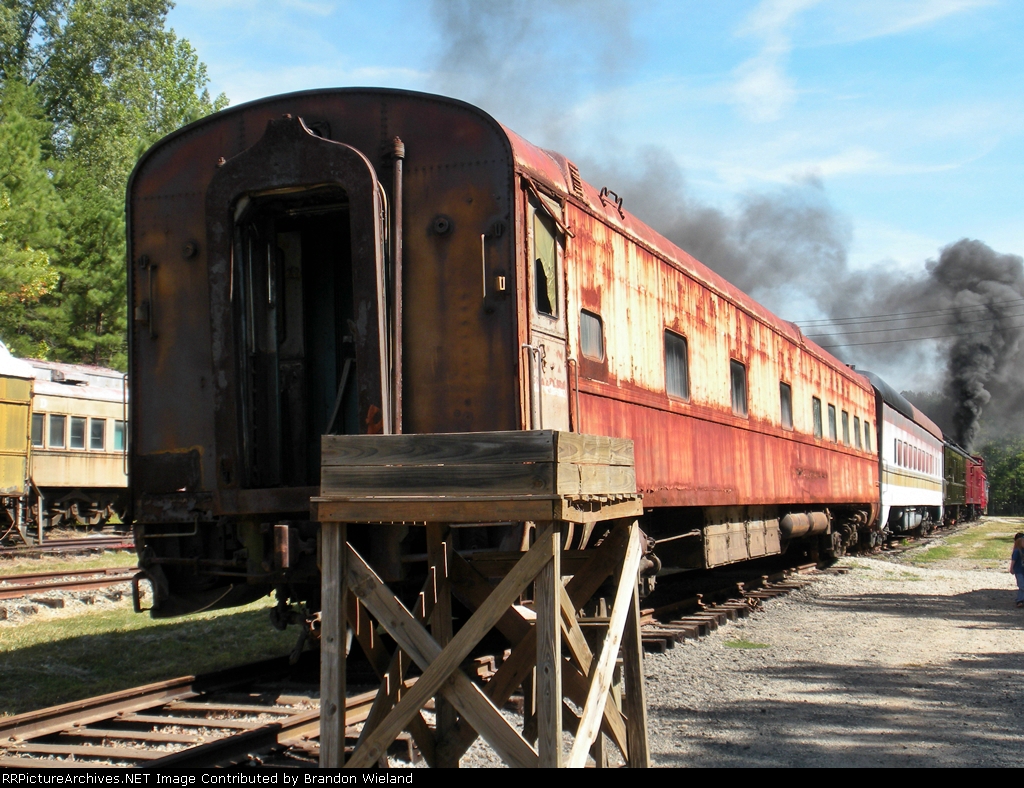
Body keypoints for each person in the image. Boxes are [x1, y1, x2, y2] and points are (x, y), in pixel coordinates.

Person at [1010, 532, 1024, 608]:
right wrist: (1011, 568)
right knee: (1022, 585)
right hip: (1019, 571)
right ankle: (1020, 600)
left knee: (1022, 587)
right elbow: (1013, 561)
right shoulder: (1017, 551)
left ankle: (1021, 599)